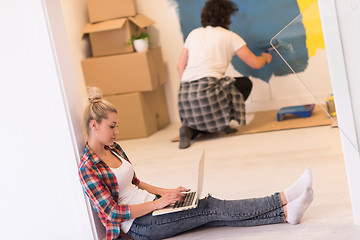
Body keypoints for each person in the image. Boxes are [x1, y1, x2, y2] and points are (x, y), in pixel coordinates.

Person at [78, 87, 314, 240]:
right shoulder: (88, 168)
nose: (117, 131)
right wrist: (159, 204)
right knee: (209, 206)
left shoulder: (114, 148)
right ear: (93, 125)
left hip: (153, 206)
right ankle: (283, 197)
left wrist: (165, 193)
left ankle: (285, 214)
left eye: (117, 125)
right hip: (141, 225)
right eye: (112, 126)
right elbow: (112, 213)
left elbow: (136, 182)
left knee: (211, 214)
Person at [177, 0, 273, 149]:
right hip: (209, 91)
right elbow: (255, 63)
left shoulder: (194, 34)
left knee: (215, 92)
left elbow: (179, 66)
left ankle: (189, 129)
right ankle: (222, 123)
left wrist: (190, 91)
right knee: (244, 84)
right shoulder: (230, 37)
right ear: (226, 17)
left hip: (185, 96)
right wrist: (265, 58)